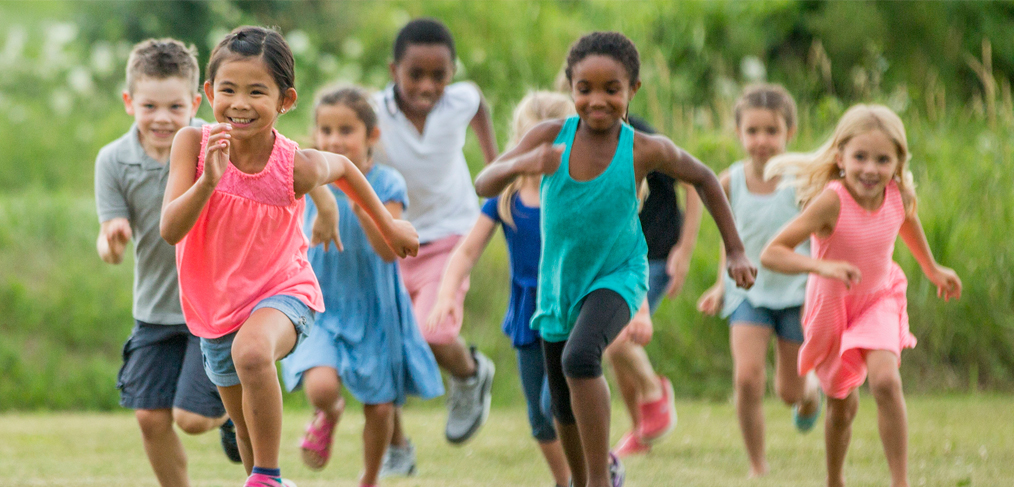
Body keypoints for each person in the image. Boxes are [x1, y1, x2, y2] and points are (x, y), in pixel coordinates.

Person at [474, 31, 756, 487]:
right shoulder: (551, 136)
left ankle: (600, 480)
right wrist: (524, 164)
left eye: (612, 89)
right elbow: (484, 183)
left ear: (633, 90)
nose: (597, 100)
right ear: (571, 88)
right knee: (561, 403)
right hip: (559, 284)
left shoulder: (643, 148)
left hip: (618, 276)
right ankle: (583, 478)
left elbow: (704, 178)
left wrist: (736, 249)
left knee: (581, 358)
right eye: (585, 89)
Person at [160, 26, 419, 487]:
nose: (240, 103)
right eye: (228, 90)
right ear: (208, 92)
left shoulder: (294, 164)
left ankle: (269, 476)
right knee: (243, 425)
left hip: (283, 291)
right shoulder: (192, 146)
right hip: (213, 306)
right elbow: (170, 229)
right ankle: (263, 474)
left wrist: (389, 225)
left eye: (257, 91)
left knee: (253, 351)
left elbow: (344, 169)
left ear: (285, 100)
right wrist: (207, 184)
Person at [760, 104, 961, 487]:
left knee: (886, 381)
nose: (871, 168)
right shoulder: (832, 201)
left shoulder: (897, 194)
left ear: (898, 162)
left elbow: (907, 222)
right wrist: (822, 267)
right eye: (860, 157)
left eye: (883, 159)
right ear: (841, 157)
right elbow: (773, 252)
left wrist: (932, 268)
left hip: (879, 299)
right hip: (832, 311)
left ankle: (899, 481)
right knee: (842, 409)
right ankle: (835, 479)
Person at [93, 37, 240, 487]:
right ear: (129, 101)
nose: (162, 118)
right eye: (149, 105)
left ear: (196, 101)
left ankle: (234, 413)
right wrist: (113, 242)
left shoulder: (215, 146)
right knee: (150, 418)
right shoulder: (113, 161)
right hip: (154, 309)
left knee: (192, 419)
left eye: (175, 106)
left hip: (211, 306)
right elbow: (109, 238)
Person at [279, 85, 444, 487]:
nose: (334, 140)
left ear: (372, 136)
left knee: (380, 405)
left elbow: (390, 253)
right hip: (319, 302)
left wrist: (359, 202)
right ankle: (330, 412)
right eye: (326, 130)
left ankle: (369, 478)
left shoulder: (386, 183)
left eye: (346, 131)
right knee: (319, 387)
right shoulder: (309, 177)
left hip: (375, 306)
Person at [371, 17, 499, 476]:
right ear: (393, 70)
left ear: (452, 72)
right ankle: (396, 447)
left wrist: (493, 165)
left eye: (438, 75)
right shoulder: (374, 113)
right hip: (392, 237)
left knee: (434, 330)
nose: (427, 85)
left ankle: (468, 375)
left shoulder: (460, 99)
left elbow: (478, 101)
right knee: (381, 347)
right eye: (415, 75)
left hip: (451, 233)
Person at [427, 91, 574, 487]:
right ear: (519, 142)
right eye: (534, 141)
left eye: (556, 141)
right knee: (539, 416)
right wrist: (445, 295)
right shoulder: (506, 195)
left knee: (556, 400)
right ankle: (567, 480)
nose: (545, 152)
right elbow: (465, 252)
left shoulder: (575, 191)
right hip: (528, 312)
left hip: (570, 308)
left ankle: (595, 465)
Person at [694, 84, 822, 477]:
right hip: (747, 292)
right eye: (753, 131)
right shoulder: (728, 182)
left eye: (771, 131)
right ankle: (757, 465)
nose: (762, 140)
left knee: (789, 391)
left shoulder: (802, 182)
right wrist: (720, 285)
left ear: (790, 133)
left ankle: (810, 394)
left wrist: (824, 279)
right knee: (747, 379)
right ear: (739, 133)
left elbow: (822, 234)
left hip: (796, 292)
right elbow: (732, 241)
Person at [607, 115, 702, 457]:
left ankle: (653, 390)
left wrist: (685, 249)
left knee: (616, 338)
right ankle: (641, 432)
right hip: (613, 257)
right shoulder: (576, 138)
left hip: (656, 254)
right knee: (616, 347)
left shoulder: (639, 136)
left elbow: (692, 182)